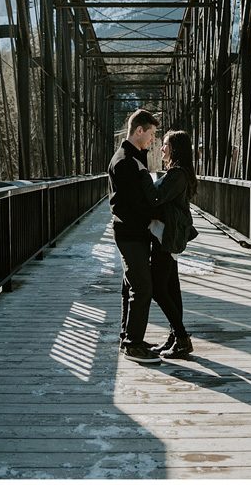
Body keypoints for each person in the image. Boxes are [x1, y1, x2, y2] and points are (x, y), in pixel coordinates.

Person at [108, 108, 161, 364]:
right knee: (142, 288)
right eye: (151, 134)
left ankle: (128, 337)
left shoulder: (132, 157)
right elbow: (132, 204)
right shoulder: (125, 162)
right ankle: (133, 344)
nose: (152, 139)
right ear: (139, 130)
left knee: (130, 286)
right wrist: (156, 213)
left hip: (131, 233)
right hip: (130, 233)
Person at [140, 130, 198, 358]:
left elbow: (155, 197)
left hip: (167, 236)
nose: (161, 148)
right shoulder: (179, 174)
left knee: (157, 289)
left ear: (175, 148)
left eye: (165, 145)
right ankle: (176, 338)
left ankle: (182, 337)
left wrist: (144, 175)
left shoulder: (177, 175)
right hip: (169, 234)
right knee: (172, 288)